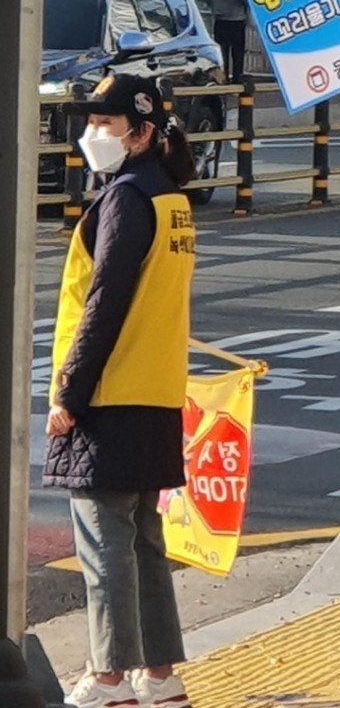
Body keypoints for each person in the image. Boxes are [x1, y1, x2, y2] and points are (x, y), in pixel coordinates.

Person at [44, 75, 198, 708]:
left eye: (104, 125)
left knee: (105, 544)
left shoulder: (125, 200)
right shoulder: (171, 199)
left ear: (139, 134)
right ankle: (159, 675)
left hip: (111, 394)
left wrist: (70, 395)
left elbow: (102, 303)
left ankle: (109, 679)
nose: (91, 135)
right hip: (157, 390)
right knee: (143, 542)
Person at [208, 0, 250, 83]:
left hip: (220, 20)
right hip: (237, 20)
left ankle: (222, 80)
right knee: (237, 55)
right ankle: (237, 79)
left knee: (221, 54)